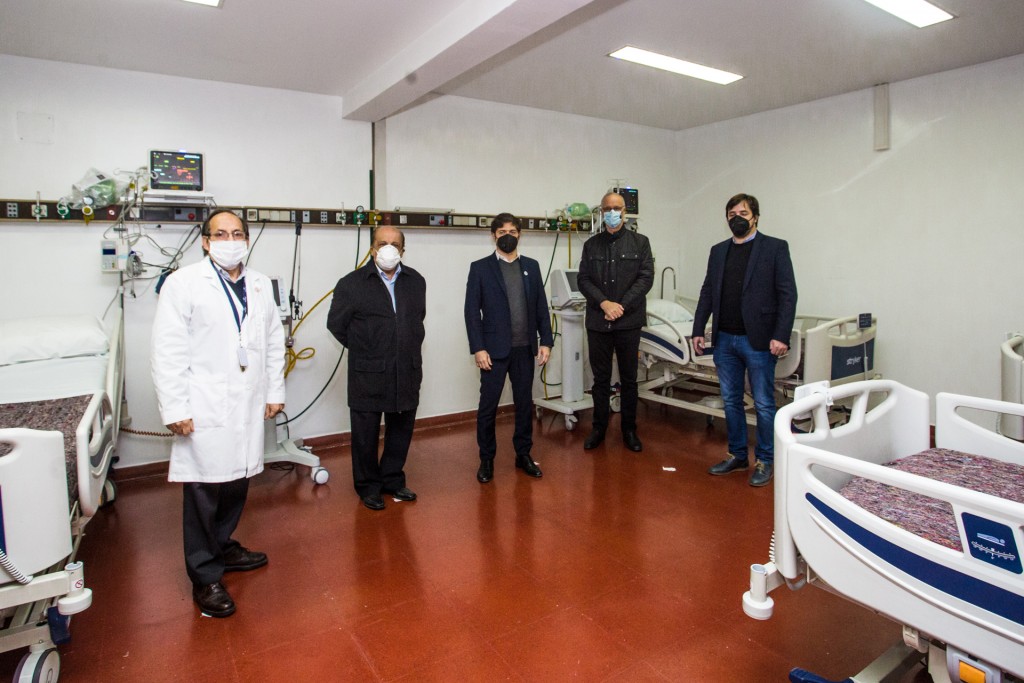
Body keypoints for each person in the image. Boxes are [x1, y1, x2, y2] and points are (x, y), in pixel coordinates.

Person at [151, 209, 286, 618]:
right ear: (206, 242)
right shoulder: (184, 283)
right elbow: (167, 350)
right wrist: (175, 407)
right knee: (204, 489)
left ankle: (223, 546)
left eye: (238, 233)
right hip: (203, 402)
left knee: (237, 480)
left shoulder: (259, 284)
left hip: (246, 400)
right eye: (221, 234)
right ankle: (205, 575)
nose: (231, 241)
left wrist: (274, 391)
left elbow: (273, 340)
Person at [691, 193, 797, 487]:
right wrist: (698, 329)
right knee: (731, 401)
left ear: (755, 217)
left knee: (763, 403)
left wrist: (781, 335)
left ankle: (766, 460)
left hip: (758, 340)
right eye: (731, 214)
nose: (736, 218)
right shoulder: (718, 251)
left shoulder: (774, 248)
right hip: (725, 338)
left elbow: (788, 295)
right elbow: (708, 291)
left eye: (743, 213)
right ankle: (737, 455)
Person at [326, 226, 426, 511]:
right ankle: (368, 486)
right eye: (383, 243)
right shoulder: (352, 284)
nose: (389, 249)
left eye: (395, 244)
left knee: (401, 429)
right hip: (367, 372)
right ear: (372, 249)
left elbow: (417, 319)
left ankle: (392, 479)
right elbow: (336, 325)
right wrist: (367, 348)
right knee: (365, 433)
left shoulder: (416, 281)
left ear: (403, 250)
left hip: (406, 368)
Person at [464, 213, 554, 484]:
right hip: (493, 351)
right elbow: (471, 312)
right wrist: (478, 348)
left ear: (519, 235)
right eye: (502, 231)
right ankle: (486, 459)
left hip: (525, 349)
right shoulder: (480, 268)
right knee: (488, 406)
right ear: (493, 235)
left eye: (512, 232)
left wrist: (546, 341)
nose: (507, 236)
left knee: (524, 404)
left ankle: (523, 454)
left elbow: (541, 307)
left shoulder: (532, 267)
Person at [576, 191, 654, 452]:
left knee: (629, 379)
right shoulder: (591, 245)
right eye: (607, 208)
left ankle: (629, 430)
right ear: (601, 212)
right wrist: (604, 303)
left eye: (617, 208)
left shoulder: (640, 243)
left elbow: (645, 278)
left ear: (625, 212)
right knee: (600, 379)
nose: (612, 212)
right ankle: (598, 429)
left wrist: (621, 306)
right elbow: (583, 279)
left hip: (628, 321)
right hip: (599, 321)